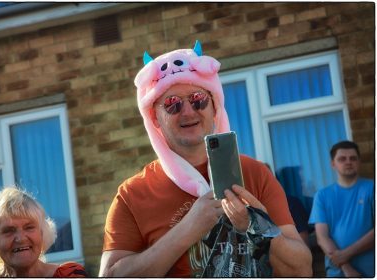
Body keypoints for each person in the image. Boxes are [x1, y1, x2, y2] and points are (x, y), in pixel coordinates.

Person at [99, 41, 312, 277]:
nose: (188, 111)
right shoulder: (132, 195)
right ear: (155, 118)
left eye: (198, 98)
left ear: (214, 106)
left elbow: (302, 270)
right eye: (172, 104)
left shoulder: (255, 173)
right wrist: (187, 229)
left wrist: (256, 225)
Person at [0, 186, 87, 277]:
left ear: (42, 233)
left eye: (29, 227)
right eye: (9, 230)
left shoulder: (71, 275)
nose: (21, 238)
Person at [309, 140, 375, 277]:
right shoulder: (322, 195)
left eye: (353, 158)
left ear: (359, 162)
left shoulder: (372, 188)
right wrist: (346, 268)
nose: (348, 162)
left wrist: (345, 254)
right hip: (337, 272)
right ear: (333, 164)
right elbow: (322, 237)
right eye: (342, 159)